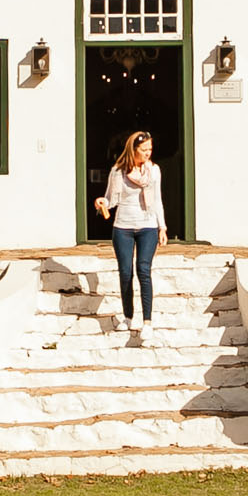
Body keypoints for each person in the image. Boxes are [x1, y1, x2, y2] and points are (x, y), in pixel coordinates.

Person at [94, 130, 164, 339]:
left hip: (148, 225)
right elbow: (110, 199)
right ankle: (128, 317)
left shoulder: (154, 171)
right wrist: (101, 203)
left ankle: (148, 321)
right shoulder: (118, 171)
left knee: (144, 269)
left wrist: (162, 227)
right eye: (144, 150)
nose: (147, 154)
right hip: (123, 227)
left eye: (150, 149)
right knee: (125, 272)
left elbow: (158, 199)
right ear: (133, 150)